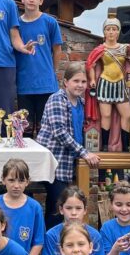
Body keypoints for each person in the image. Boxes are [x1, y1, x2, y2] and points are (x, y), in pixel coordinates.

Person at [37, 63, 101, 228]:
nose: (80, 85)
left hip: (69, 162)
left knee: (59, 206)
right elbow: (59, 132)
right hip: (54, 162)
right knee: (58, 208)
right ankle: (51, 241)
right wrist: (84, 153)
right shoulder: (57, 99)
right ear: (66, 82)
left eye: (83, 82)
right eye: (76, 81)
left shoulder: (81, 102)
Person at [85, 12, 130, 152]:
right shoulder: (100, 49)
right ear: (104, 32)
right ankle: (104, 145)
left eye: (114, 29)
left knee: (127, 115)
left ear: (118, 32)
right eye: (108, 29)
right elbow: (90, 65)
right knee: (106, 115)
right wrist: (92, 79)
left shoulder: (125, 48)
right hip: (105, 83)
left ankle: (126, 145)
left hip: (120, 84)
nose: (111, 32)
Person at [16, 0, 63, 137]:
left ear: (41, 1)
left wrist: (52, 72)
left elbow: (57, 50)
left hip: (46, 85)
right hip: (24, 84)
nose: (31, 0)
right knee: (26, 130)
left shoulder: (50, 22)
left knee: (45, 130)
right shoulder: (16, 24)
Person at [0, 159, 45, 255]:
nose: (16, 185)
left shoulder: (34, 207)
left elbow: (38, 242)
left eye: (21, 181)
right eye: (11, 180)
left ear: (27, 182)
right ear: (3, 180)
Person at [39, 186, 105, 255]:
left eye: (78, 208)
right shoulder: (52, 235)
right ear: (61, 209)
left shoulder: (94, 236)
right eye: (69, 208)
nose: (74, 213)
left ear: (85, 210)